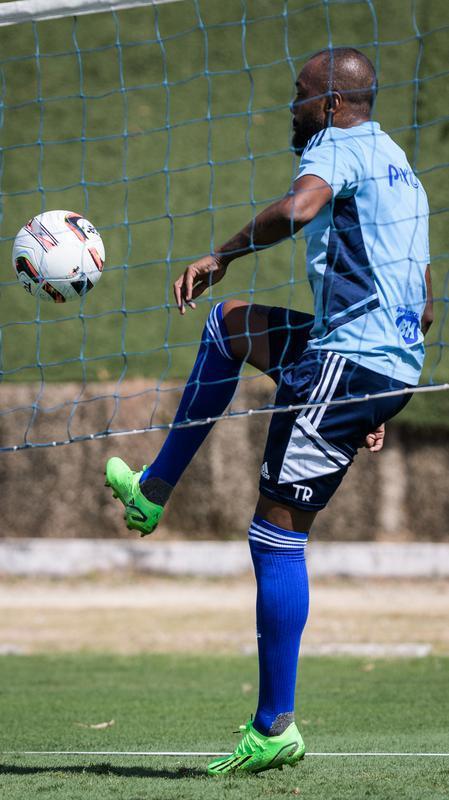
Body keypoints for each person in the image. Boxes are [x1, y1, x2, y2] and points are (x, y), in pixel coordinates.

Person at [105, 47, 432, 775]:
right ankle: (154, 489)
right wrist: (383, 389)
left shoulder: (336, 147)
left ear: (329, 105)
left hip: (350, 363)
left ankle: (272, 726)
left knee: (275, 535)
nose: (291, 105)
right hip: (368, 358)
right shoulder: (397, 165)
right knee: (227, 325)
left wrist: (223, 251)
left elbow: (300, 207)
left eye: (299, 94)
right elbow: (426, 294)